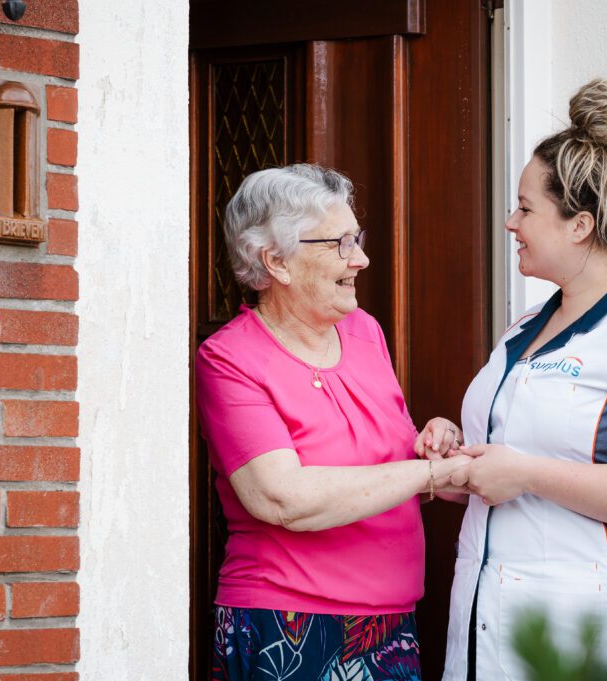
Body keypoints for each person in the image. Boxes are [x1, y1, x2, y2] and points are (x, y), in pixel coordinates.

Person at [416, 79, 607, 680]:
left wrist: (522, 473)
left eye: (525, 208)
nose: (510, 221)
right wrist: (457, 464)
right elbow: (514, 456)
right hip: (496, 634)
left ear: (579, 224)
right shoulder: (524, 327)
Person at [195, 163, 471, 680]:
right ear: (276, 261)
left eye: (357, 239)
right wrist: (429, 475)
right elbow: (282, 498)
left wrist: (435, 447)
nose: (361, 259)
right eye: (341, 243)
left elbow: (390, 468)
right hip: (288, 624)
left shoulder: (364, 332)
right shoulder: (230, 358)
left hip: (391, 626)